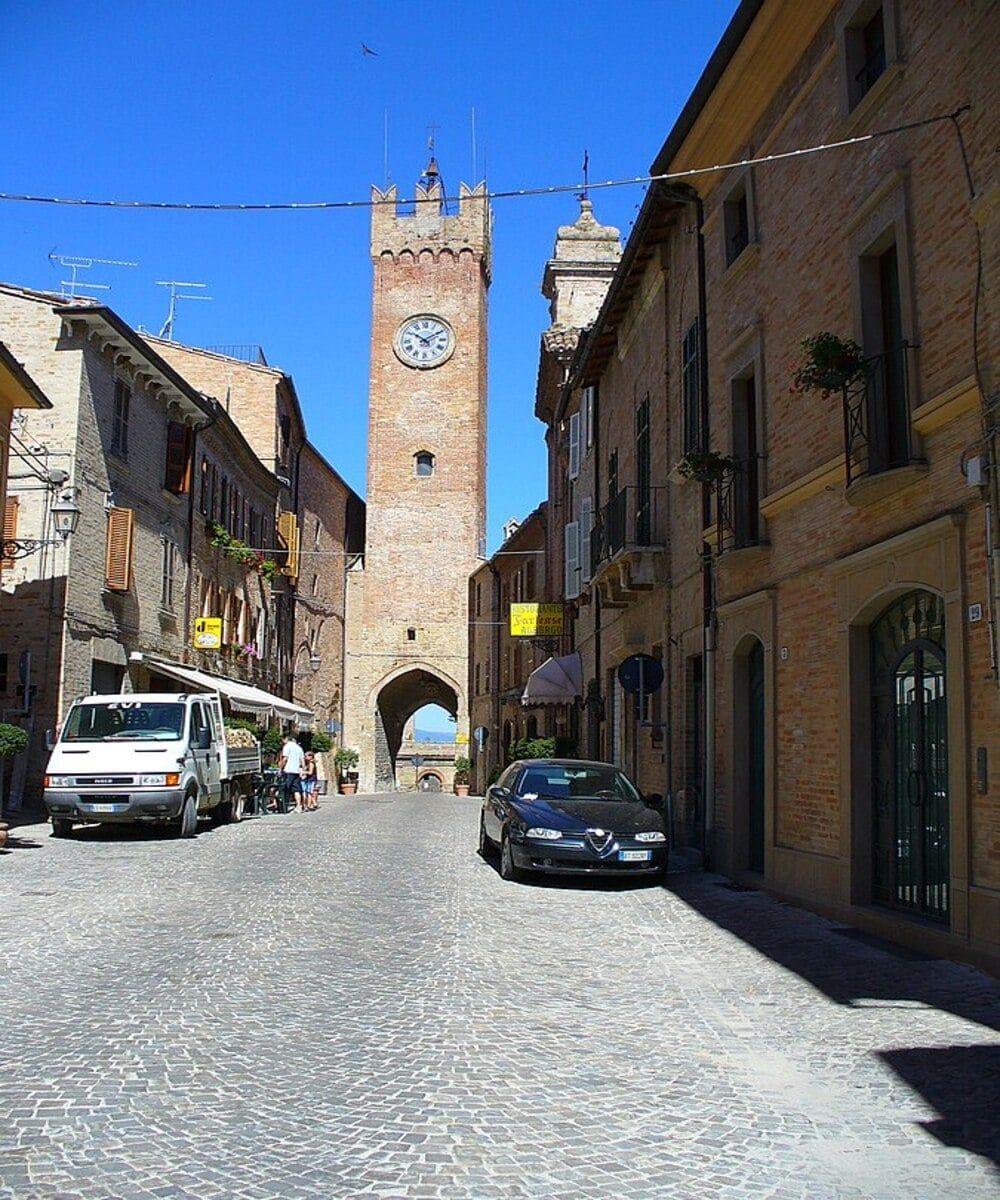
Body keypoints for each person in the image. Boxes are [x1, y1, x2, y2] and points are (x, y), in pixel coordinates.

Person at [278, 734, 305, 813]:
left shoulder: (287, 746)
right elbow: (302, 761)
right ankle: (298, 806)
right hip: (296, 771)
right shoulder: (299, 748)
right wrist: (302, 771)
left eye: (283, 740)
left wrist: (280, 767)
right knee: (296, 790)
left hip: (288, 770)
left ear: (286, 739)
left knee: (285, 789)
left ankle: (284, 807)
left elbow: (285, 758)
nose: (283, 742)